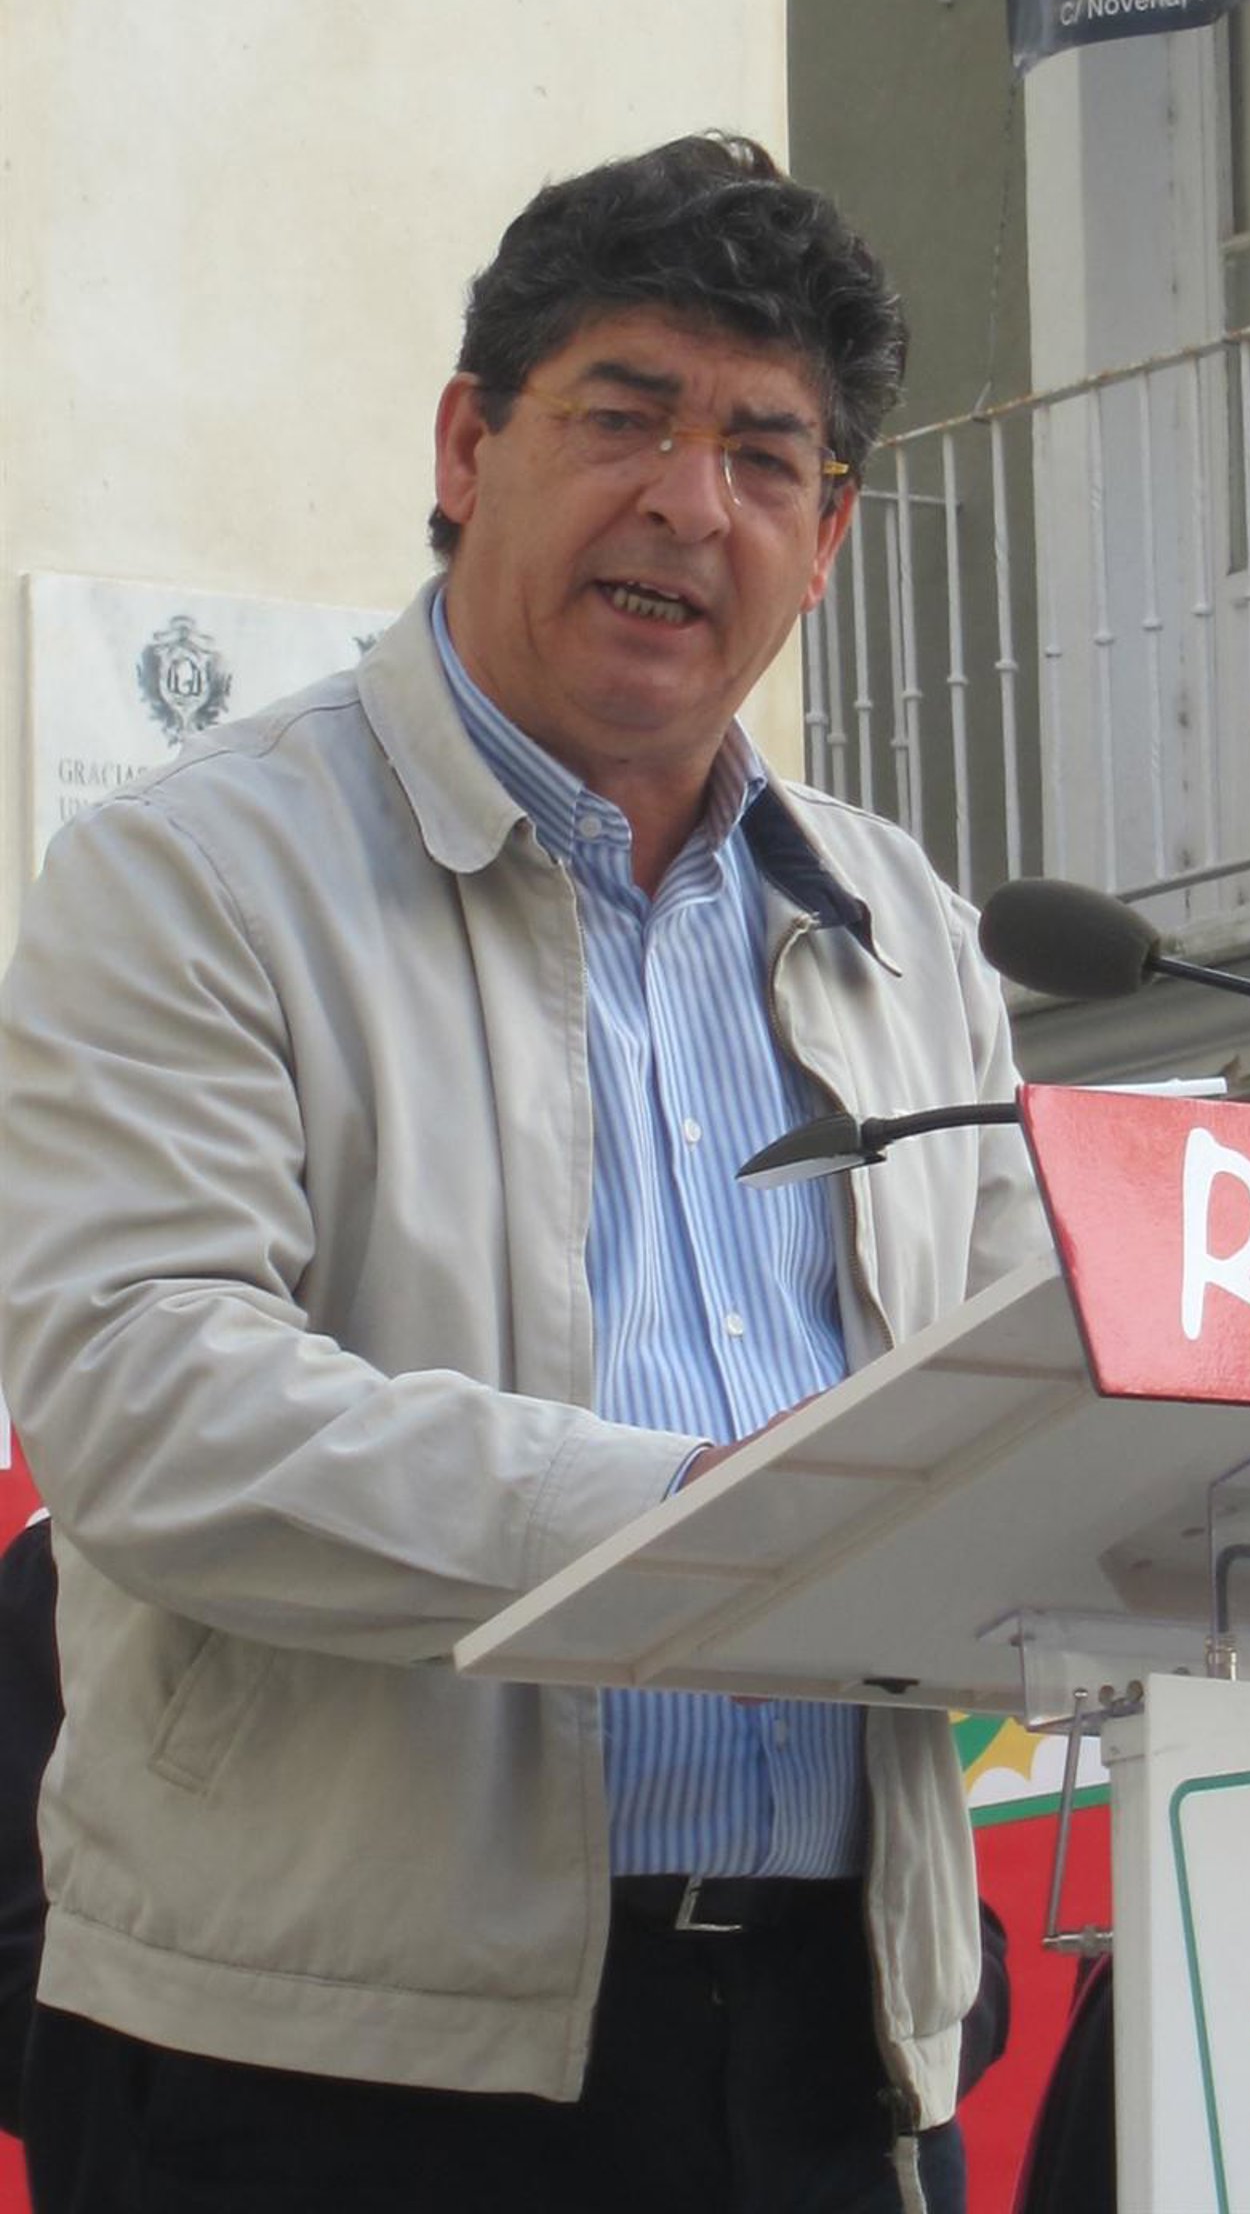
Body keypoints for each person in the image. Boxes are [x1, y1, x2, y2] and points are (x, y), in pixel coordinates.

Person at [0, 135, 1047, 2214]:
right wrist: (697, 1526)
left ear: (827, 538)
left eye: (765, 455)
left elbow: (1031, 1385)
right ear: (471, 445)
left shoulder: (908, 931)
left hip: (828, 2056)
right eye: (625, 419)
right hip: (323, 2068)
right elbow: (148, 1399)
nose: (690, 504)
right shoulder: (193, 873)